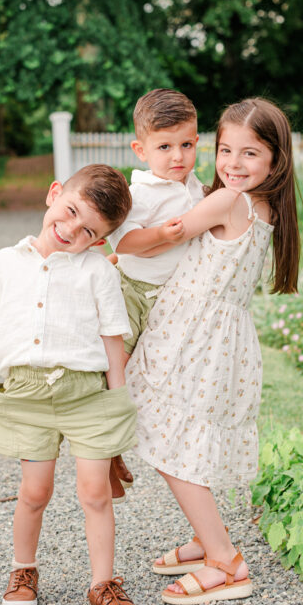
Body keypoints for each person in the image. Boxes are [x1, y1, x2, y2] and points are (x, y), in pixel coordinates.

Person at [127, 97, 300, 605]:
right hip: (215, 336)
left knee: (170, 442)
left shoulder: (228, 201)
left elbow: (169, 236)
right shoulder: (260, 205)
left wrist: (114, 242)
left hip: (194, 336)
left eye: (250, 154)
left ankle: (225, 561)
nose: (233, 164)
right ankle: (207, 540)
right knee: (177, 438)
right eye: (226, 150)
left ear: (275, 160)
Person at [0, 165, 142, 605]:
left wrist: (117, 400)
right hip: (25, 393)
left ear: (101, 241)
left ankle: (103, 583)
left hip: (87, 395)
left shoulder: (97, 274)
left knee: (95, 493)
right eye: (69, 212)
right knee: (34, 490)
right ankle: (24, 570)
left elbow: (112, 340)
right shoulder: (3, 264)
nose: (70, 231)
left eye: (88, 231)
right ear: (54, 194)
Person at [107, 88, 205, 502]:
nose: (177, 156)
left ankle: (119, 446)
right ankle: (106, 451)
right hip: (134, 293)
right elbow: (123, 242)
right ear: (141, 149)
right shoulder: (142, 192)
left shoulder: (195, 187)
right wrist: (160, 235)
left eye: (186, 144)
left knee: (150, 382)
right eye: (164, 147)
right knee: (116, 372)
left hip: (172, 299)